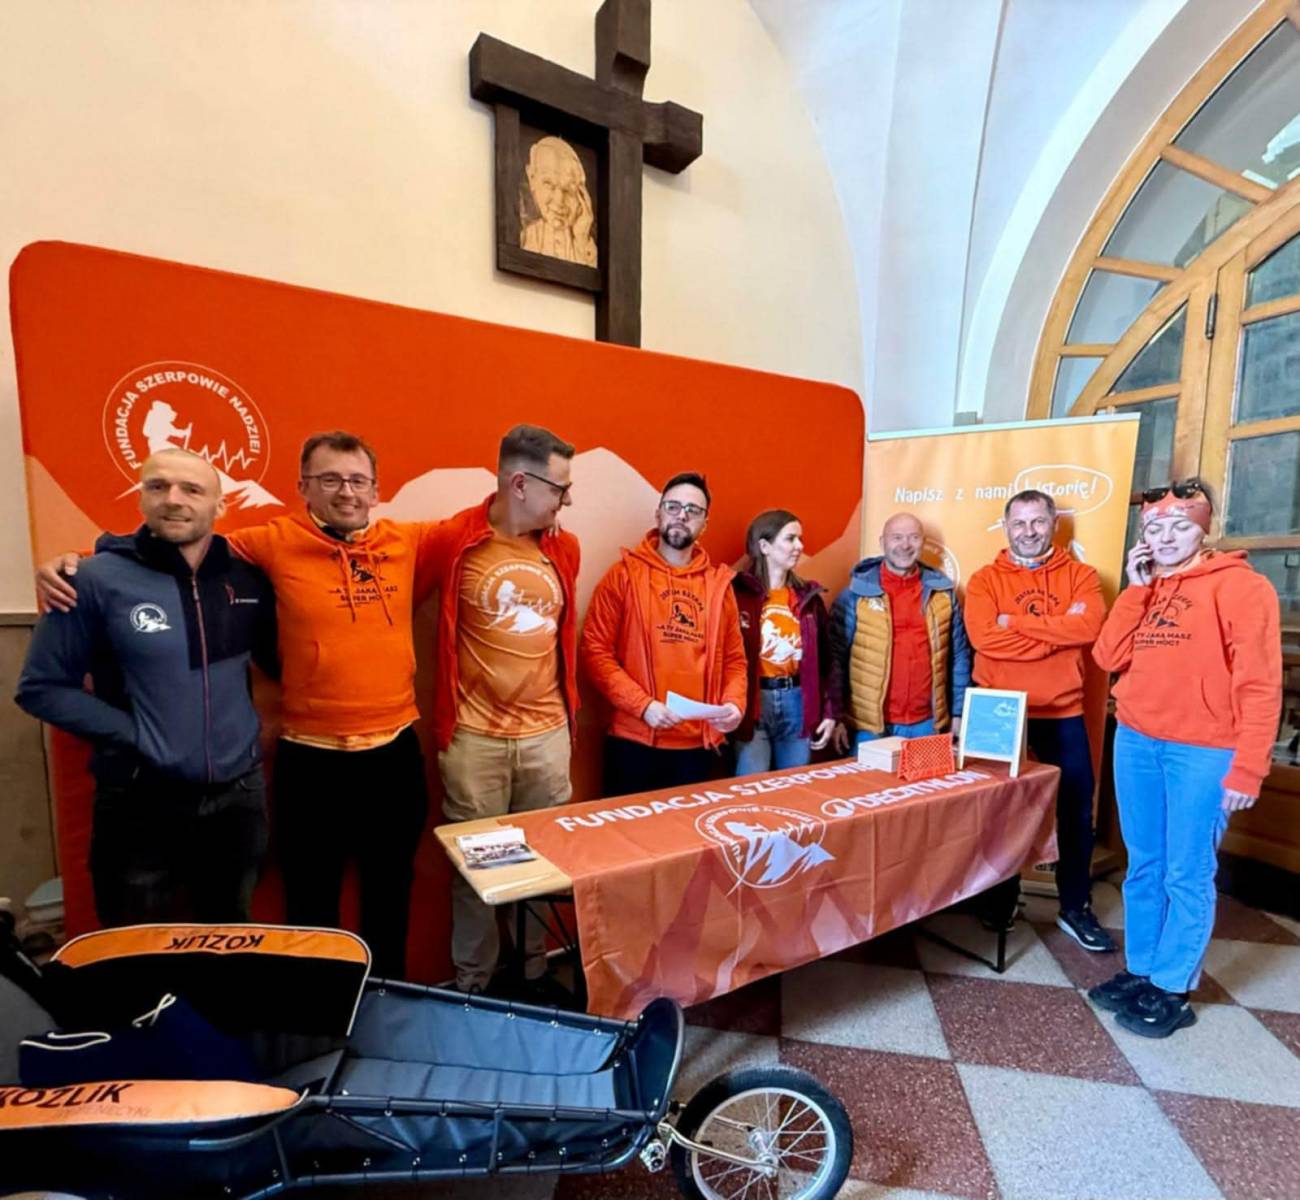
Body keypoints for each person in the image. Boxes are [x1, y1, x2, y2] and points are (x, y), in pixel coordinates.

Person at [34, 431, 443, 980]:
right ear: (303, 488)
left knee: (390, 891)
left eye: (357, 481)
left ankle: (386, 1003)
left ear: (375, 490)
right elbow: (172, 541)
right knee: (309, 904)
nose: (345, 492)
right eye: (329, 479)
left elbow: (486, 524)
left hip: (390, 754)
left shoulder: (408, 541)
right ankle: (313, 1010)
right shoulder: (265, 543)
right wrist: (75, 562)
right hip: (307, 759)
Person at [17, 449, 278, 926]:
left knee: (228, 942)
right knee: (134, 950)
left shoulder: (248, 580)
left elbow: (279, 661)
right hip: (139, 800)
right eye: (158, 486)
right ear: (141, 497)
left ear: (220, 505)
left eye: (191, 489)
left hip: (236, 800)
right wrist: (139, 736)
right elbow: (41, 687)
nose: (173, 499)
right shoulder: (91, 580)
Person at [1089, 480, 1281, 1037]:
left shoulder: (1242, 588)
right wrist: (1135, 591)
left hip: (1203, 751)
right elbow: (1107, 656)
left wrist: (1248, 767)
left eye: (1180, 527)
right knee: (1144, 864)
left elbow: (1261, 684)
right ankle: (1143, 969)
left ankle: (1173, 987)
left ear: (1204, 532)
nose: (1167, 538)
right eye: (1155, 528)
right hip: (1136, 740)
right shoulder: (1148, 585)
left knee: (1187, 871)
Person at [423, 425, 581, 997]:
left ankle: (535, 973)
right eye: (560, 488)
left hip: (547, 736)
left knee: (543, 864)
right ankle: (475, 988)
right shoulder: (453, 540)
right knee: (477, 871)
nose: (567, 500)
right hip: (475, 741)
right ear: (520, 484)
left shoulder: (564, 547)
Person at [964, 489, 1116, 952]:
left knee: (1075, 811)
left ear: (1053, 525)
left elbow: (1088, 628)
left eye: (1037, 522)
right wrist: (1056, 633)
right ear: (1006, 527)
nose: (1028, 531)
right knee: (999, 812)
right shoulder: (984, 579)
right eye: (1019, 523)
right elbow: (984, 638)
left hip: (1063, 710)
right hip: (1000, 711)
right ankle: (1000, 902)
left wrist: (1013, 623)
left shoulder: (1081, 576)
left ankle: (1075, 907)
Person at [581, 471, 747, 797]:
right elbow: (595, 651)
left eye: (693, 510)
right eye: (673, 506)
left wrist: (734, 704)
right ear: (658, 514)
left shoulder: (719, 587)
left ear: (704, 524)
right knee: (627, 830)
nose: (682, 515)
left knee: (686, 831)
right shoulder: (622, 576)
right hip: (633, 742)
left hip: (696, 748)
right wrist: (643, 706)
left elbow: (735, 660)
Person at [830, 512, 970, 745]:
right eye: (897, 537)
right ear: (882, 542)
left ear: (923, 542)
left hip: (927, 723)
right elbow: (835, 660)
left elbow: (959, 657)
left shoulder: (943, 595)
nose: (905, 545)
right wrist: (836, 716)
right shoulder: (854, 595)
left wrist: (959, 713)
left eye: (914, 537)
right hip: (868, 727)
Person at [732, 509, 842, 774]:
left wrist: (831, 712)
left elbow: (829, 661)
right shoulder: (738, 594)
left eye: (800, 539)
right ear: (765, 546)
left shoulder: (809, 598)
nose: (800, 546)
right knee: (751, 784)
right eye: (790, 539)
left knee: (794, 785)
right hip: (752, 701)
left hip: (797, 700)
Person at [519, 136, 597, 266]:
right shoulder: (525, 237)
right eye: (549, 184)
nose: (559, 200)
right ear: (532, 178)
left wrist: (582, 238)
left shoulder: (583, 244)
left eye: (568, 190)